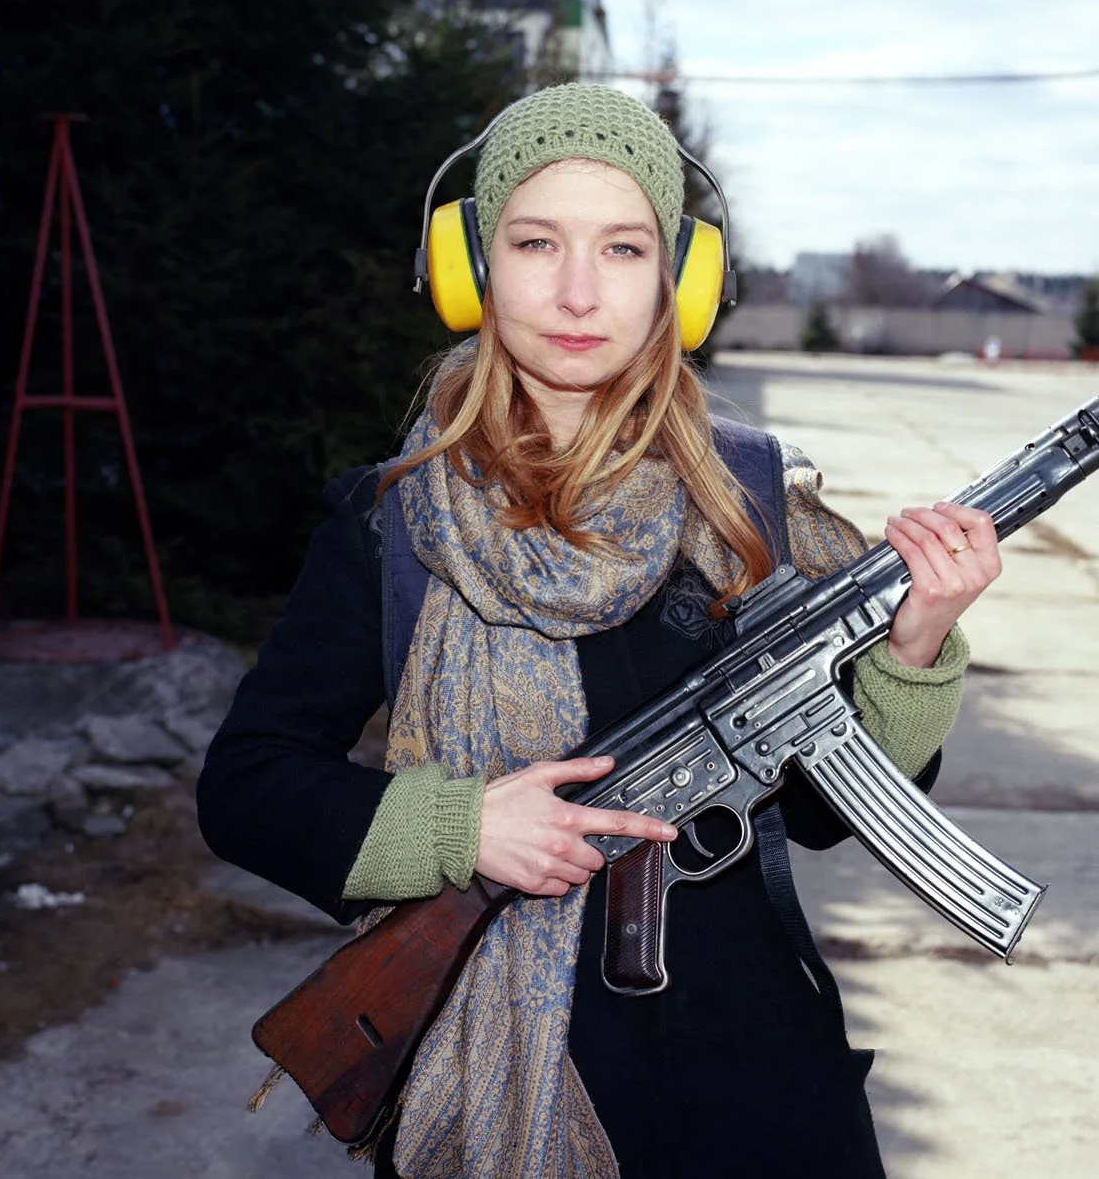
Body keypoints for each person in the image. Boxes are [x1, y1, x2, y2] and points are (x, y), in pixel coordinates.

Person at [197, 83, 1003, 1179]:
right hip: (502, 1081)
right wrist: (459, 829)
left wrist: (912, 651)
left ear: (683, 280)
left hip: (754, 1083)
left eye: (623, 249)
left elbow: (821, 814)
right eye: (537, 242)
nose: (579, 291)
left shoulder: (752, 500)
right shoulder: (392, 523)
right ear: (471, 265)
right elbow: (247, 785)